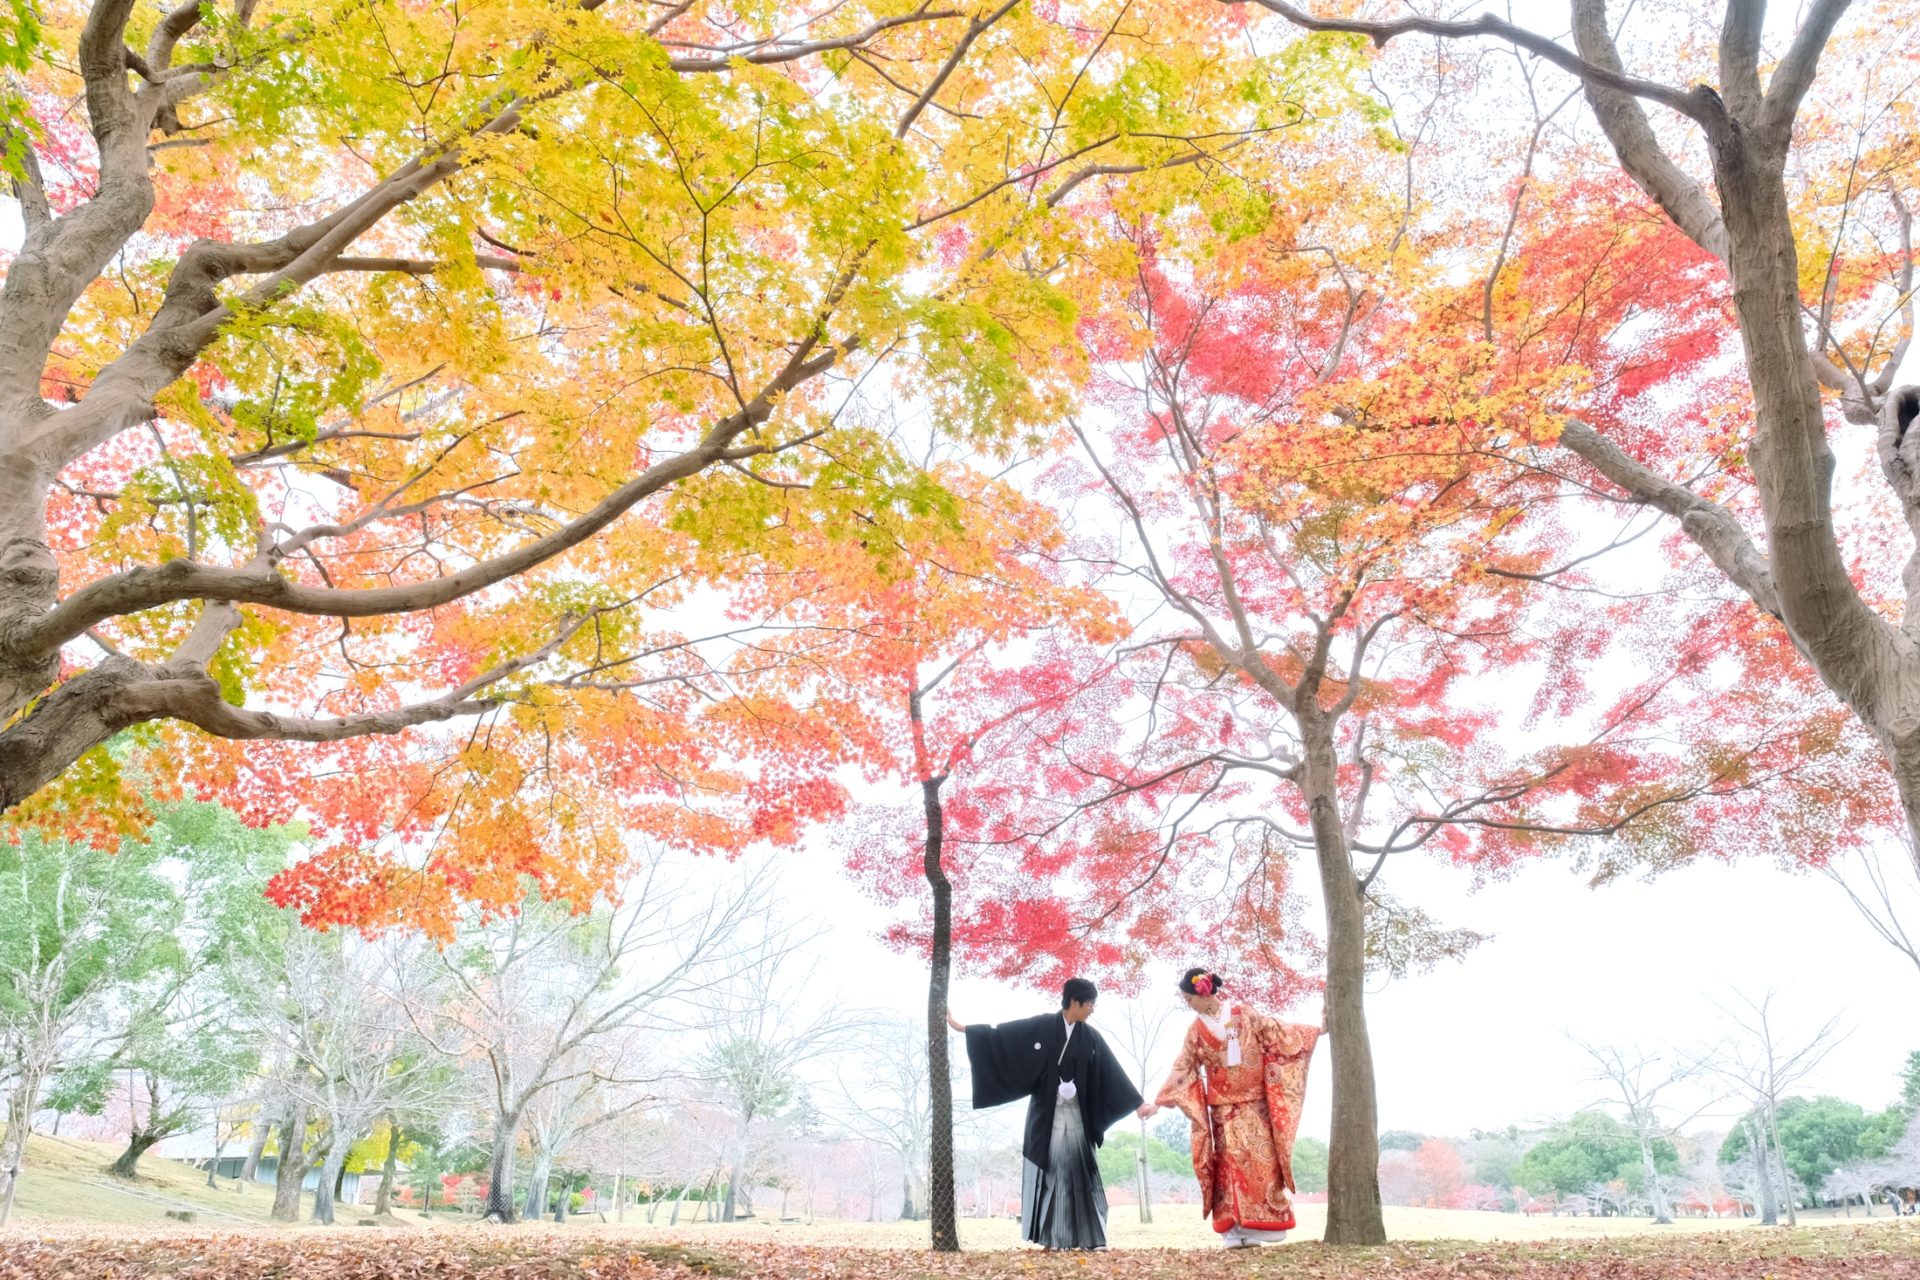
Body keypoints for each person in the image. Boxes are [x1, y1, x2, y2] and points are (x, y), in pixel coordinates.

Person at [947, 977, 1149, 1250]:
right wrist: (962, 1028)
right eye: (1090, 1004)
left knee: (1082, 1175)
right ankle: (1053, 1238)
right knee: (1052, 1176)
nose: (1092, 1009)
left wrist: (1137, 1103)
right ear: (1075, 1002)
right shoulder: (1042, 1026)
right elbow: (1003, 1037)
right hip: (1048, 1117)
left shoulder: (1090, 1037)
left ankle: (1090, 1238)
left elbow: (1112, 1072)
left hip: (1078, 1118)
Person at [1137, 966, 1319, 1249]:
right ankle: (1233, 1231)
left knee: (1263, 1163)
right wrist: (1159, 1103)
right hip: (1221, 1110)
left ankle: (1261, 1226)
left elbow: (1278, 1032)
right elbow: (1184, 1065)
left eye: (1189, 999)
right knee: (1228, 1167)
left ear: (1204, 993)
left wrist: (1318, 1031)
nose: (1189, 1005)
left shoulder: (1245, 1013)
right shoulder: (1196, 1030)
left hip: (1255, 1105)